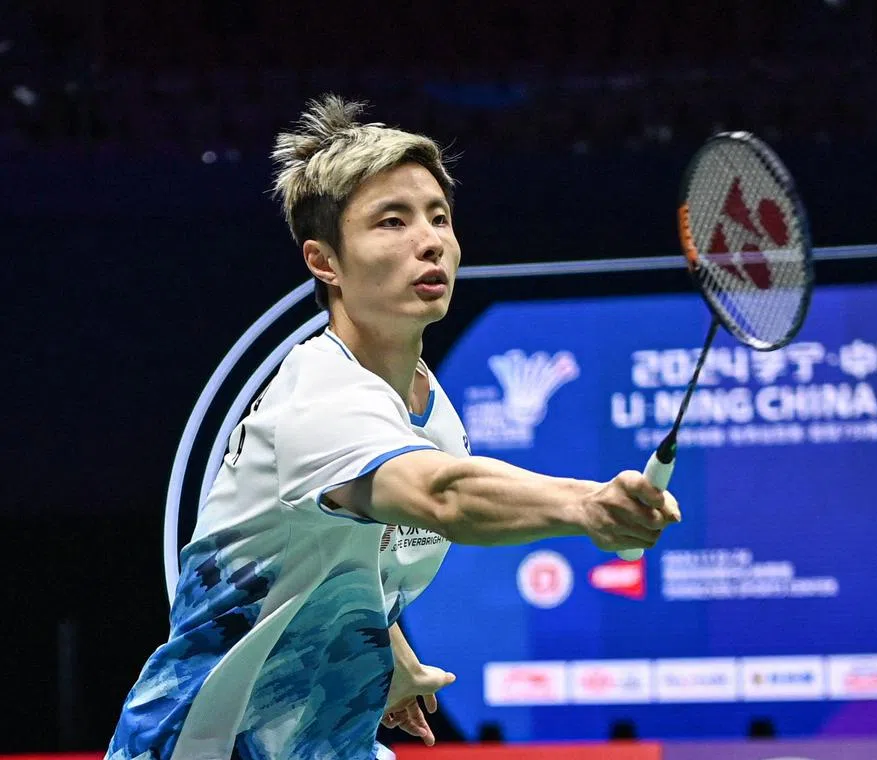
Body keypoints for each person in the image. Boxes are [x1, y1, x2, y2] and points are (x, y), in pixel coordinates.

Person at [106, 94, 680, 760]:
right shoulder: (320, 399)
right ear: (325, 263)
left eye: (439, 218)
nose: (429, 240)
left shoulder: (427, 405)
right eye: (392, 222)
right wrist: (586, 505)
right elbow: (444, 496)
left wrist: (383, 650)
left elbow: (351, 549)